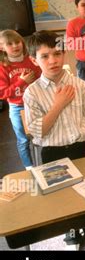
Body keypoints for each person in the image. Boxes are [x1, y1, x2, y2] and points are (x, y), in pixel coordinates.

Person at [23, 30, 85, 250]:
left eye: (57, 53)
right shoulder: (32, 93)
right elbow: (38, 132)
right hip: (53, 153)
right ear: (34, 60)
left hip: (81, 148)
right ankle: (71, 235)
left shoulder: (80, 85)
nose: (53, 60)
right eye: (45, 56)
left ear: (64, 53)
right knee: (63, 199)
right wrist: (58, 104)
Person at [0, 30, 41, 168]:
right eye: (9, 44)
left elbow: (42, 78)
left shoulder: (31, 60)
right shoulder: (3, 67)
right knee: (23, 140)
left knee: (39, 136)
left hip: (36, 104)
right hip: (17, 107)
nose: (15, 46)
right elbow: (3, 93)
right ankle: (29, 167)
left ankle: (42, 162)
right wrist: (21, 82)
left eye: (17, 42)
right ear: (2, 47)